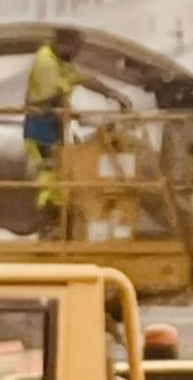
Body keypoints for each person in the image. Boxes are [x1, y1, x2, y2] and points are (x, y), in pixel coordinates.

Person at [23, 28, 131, 237]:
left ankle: (61, 222)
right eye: (75, 49)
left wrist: (112, 93)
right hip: (41, 128)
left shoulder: (60, 60)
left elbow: (82, 78)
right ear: (63, 44)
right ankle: (51, 222)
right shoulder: (45, 62)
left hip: (53, 126)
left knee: (60, 173)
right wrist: (80, 117)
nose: (77, 54)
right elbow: (53, 97)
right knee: (49, 176)